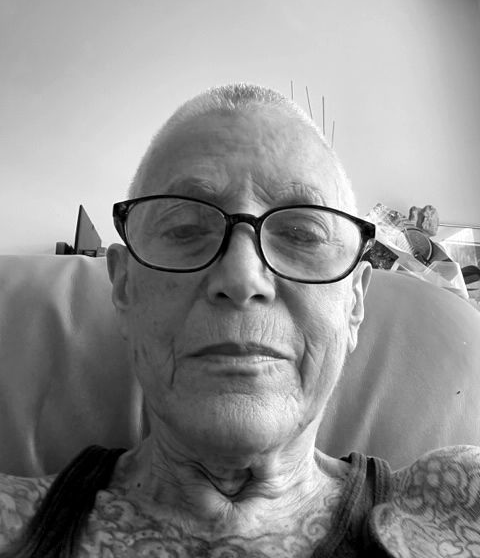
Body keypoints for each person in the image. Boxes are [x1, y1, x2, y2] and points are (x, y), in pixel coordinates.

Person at [0, 83, 479, 557]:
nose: (241, 276)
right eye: (185, 229)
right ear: (124, 287)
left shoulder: (456, 503)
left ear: (354, 303)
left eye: (301, 233)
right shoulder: (11, 520)